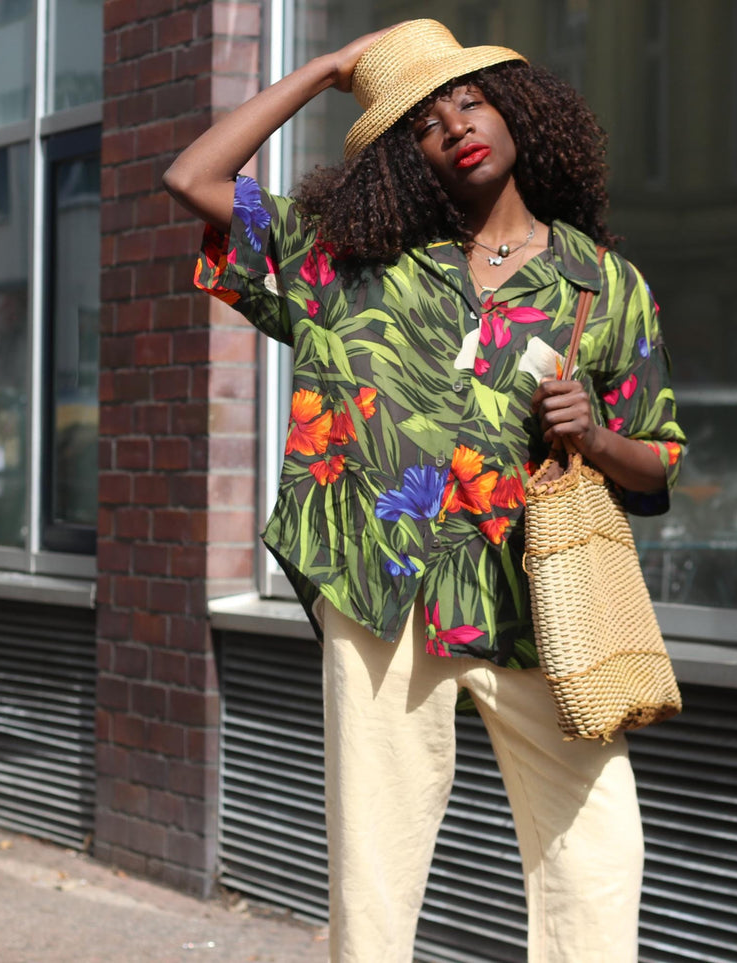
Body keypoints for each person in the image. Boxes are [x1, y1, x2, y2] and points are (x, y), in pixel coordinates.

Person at [164, 19, 686, 963]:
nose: (453, 126)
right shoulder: (347, 266)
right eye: (422, 124)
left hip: (538, 607)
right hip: (384, 599)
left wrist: (595, 432)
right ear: (404, 161)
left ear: (517, 111)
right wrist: (327, 71)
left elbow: (659, 463)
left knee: (599, 852)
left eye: (469, 101)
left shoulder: (601, 286)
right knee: (376, 874)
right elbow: (193, 182)